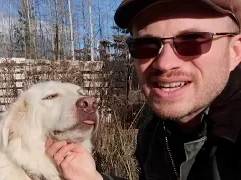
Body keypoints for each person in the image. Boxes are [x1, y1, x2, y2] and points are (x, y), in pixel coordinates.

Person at [45, 0, 241, 179]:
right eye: (146, 45)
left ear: (235, 52)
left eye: (192, 41)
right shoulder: (156, 131)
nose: (164, 63)